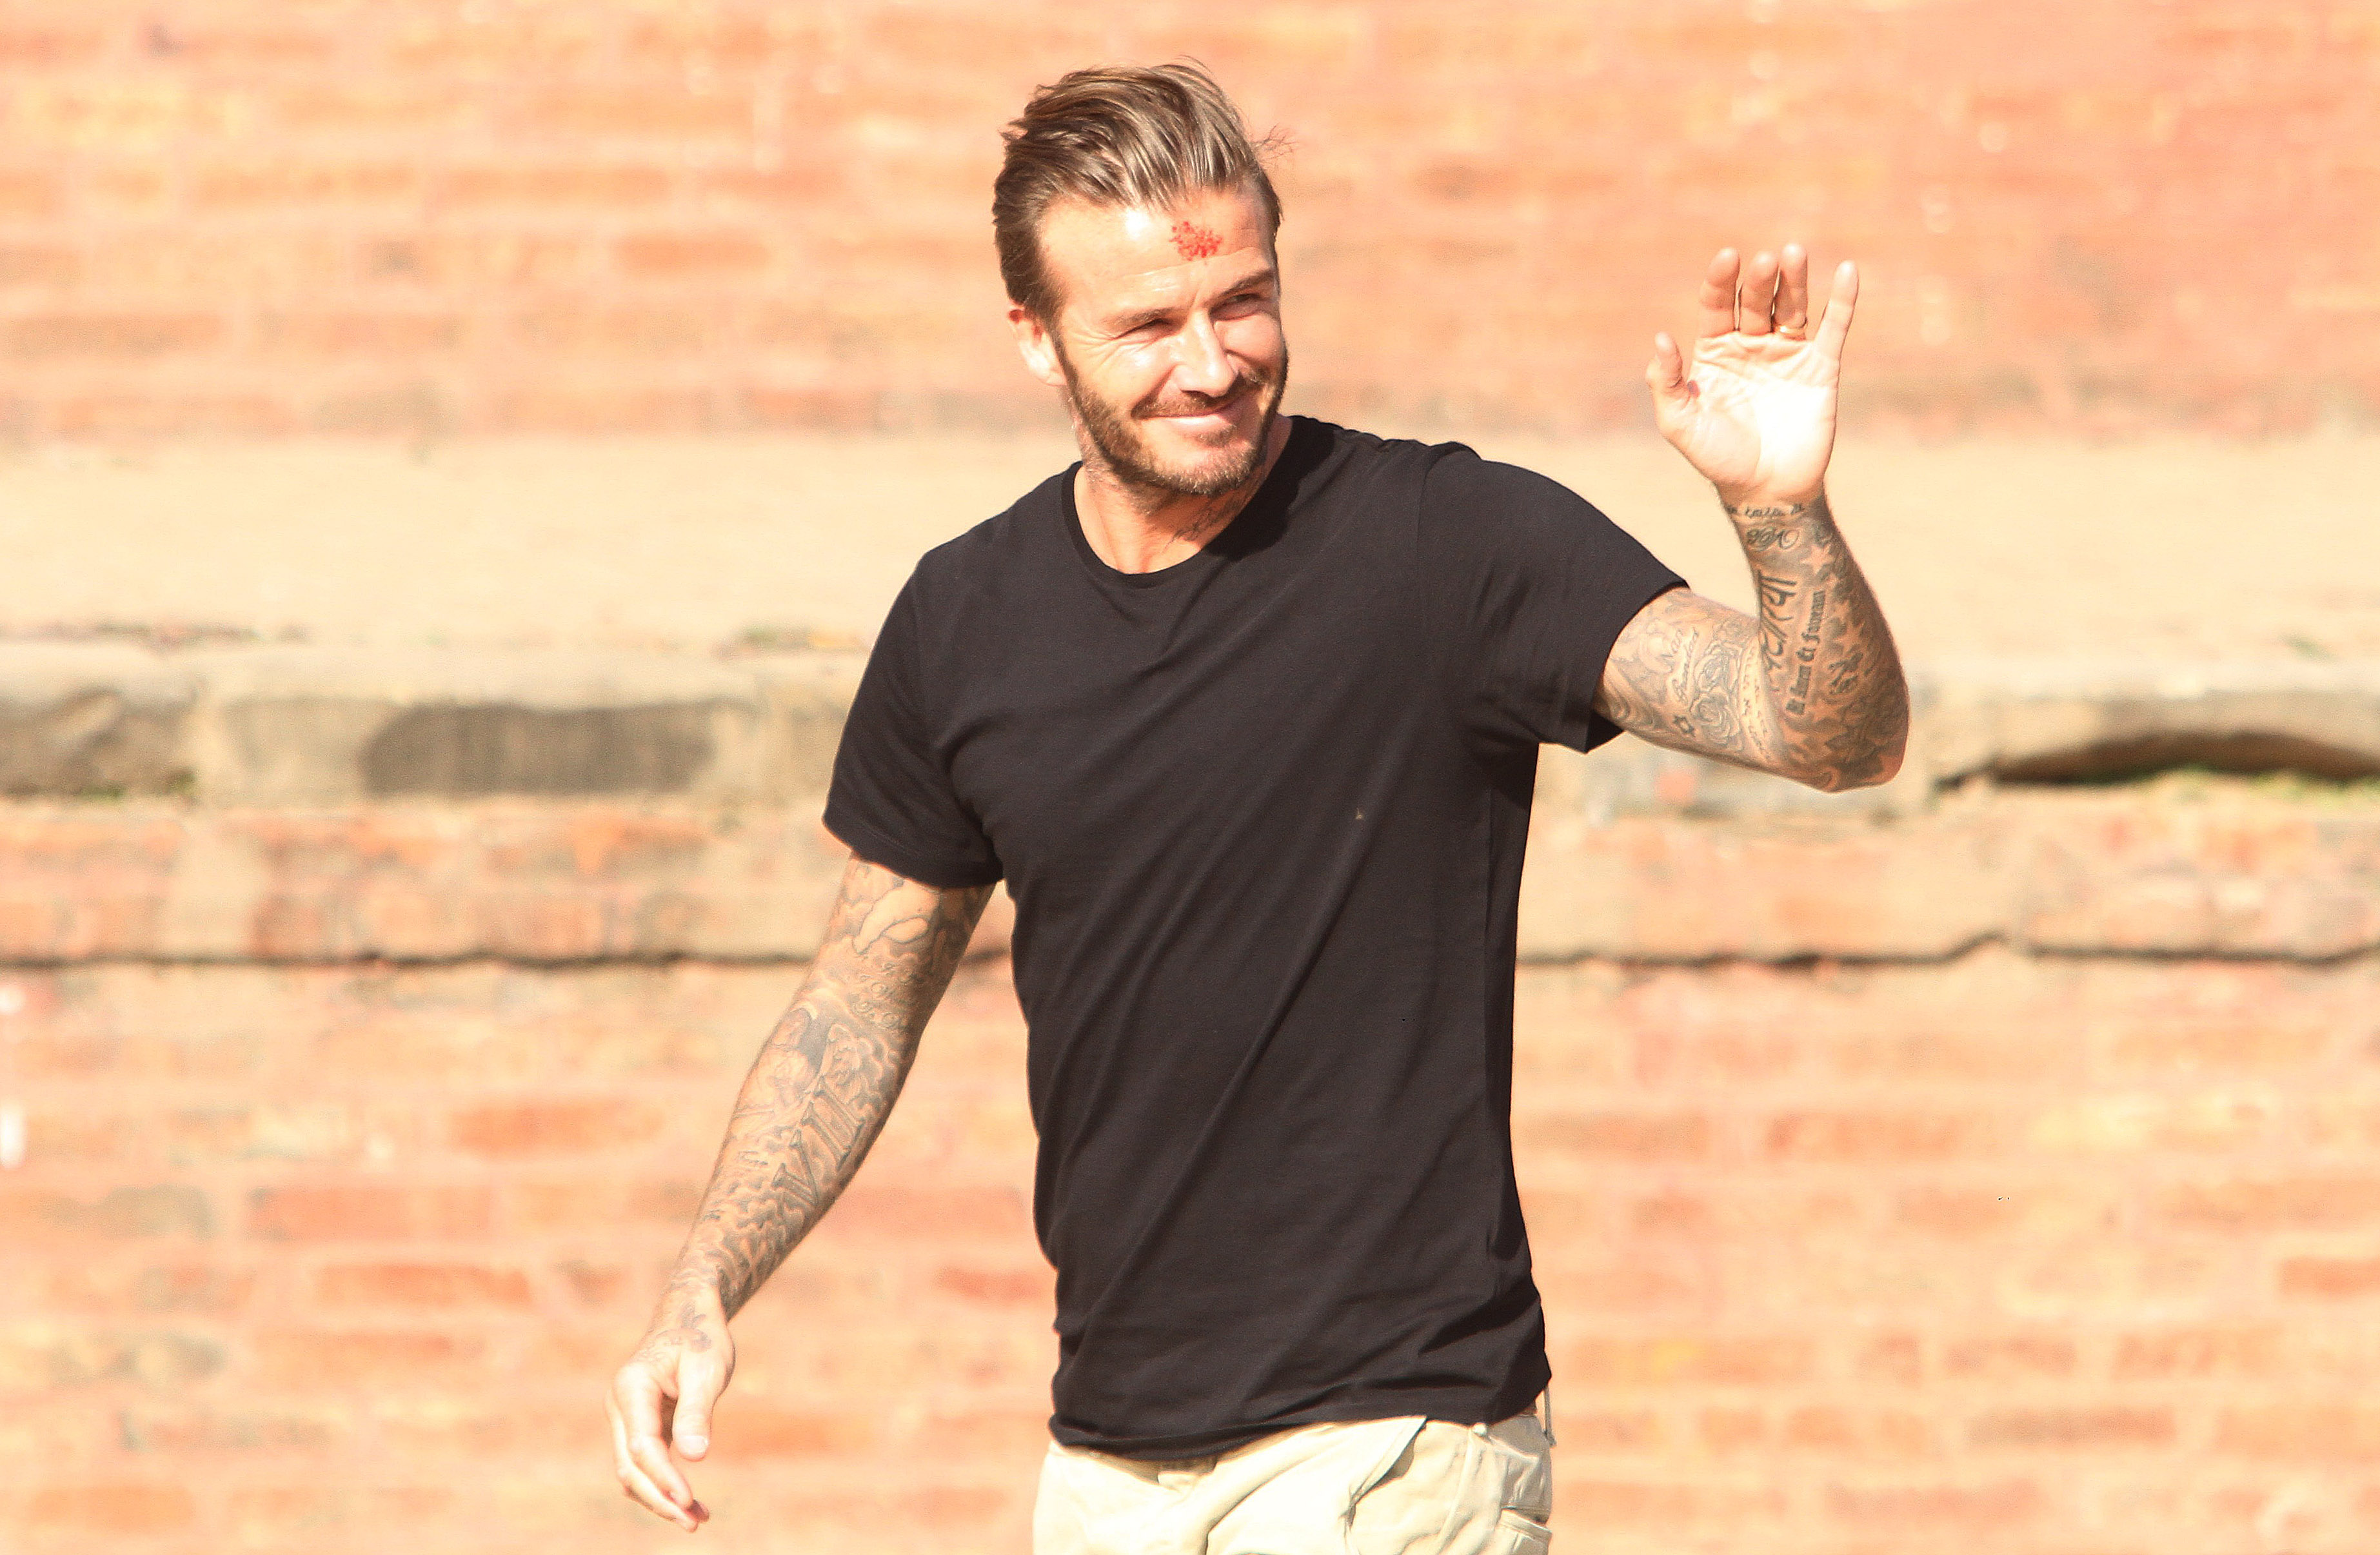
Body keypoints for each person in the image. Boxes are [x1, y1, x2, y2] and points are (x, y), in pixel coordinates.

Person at [608, 61, 1907, 1552]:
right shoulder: (965, 621)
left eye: (1243, 302)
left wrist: (1779, 509)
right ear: (1034, 339)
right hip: (1109, 1461)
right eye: (1148, 326)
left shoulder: (1450, 547)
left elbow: (1829, 735)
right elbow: (860, 995)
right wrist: (705, 1283)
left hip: (1396, 1440)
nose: (1214, 362)